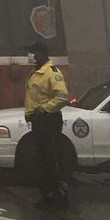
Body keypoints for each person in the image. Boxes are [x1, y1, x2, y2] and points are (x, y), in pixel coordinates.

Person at [23, 38, 70, 209]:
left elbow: (62, 97)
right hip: (38, 121)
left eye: (33, 53)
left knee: (52, 158)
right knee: (41, 159)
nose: (30, 56)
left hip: (48, 120)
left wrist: (44, 109)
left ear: (42, 54)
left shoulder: (51, 73)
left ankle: (59, 195)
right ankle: (47, 194)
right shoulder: (35, 73)